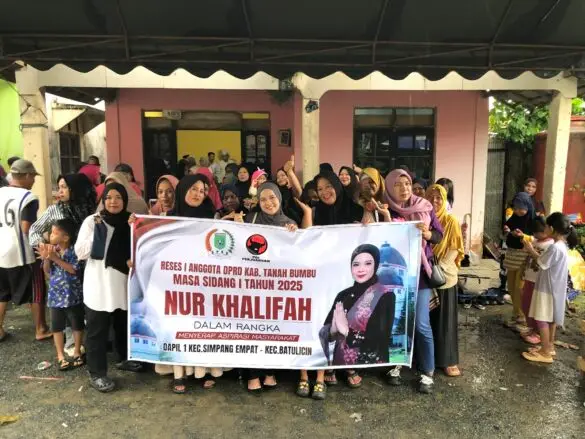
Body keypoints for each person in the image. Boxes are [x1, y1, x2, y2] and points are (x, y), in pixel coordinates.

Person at [235, 182, 302, 395]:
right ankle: (252, 374)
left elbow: (296, 256)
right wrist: (237, 226)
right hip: (251, 284)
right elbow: (238, 246)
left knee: (273, 329)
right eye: (263, 199)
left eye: (272, 197)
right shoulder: (250, 219)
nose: (268, 203)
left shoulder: (289, 223)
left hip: (276, 288)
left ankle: (270, 371)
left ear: (279, 198)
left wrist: (294, 235)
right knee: (252, 329)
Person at [75, 183, 142, 393]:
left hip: (123, 281)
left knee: (123, 323)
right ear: (103, 200)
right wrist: (99, 232)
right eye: (109, 197)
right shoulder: (92, 221)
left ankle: (124, 358)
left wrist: (136, 228)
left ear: (125, 200)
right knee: (97, 329)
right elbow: (80, 252)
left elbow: (140, 247)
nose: (113, 202)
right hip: (99, 284)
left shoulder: (131, 221)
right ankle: (97, 373)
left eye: (118, 197)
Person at [384, 169, 444, 394]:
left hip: (420, 273)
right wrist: (383, 217)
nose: (404, 188)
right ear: (390, 187)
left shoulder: (424, 207)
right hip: (395, 274)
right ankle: (397, 364)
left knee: (420, 323)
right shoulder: (386, 209)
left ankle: (427, 370)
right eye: (398, 184)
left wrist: (427, 234)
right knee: (397, 320)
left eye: (407, 183)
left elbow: (439, 235)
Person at [316, 245, 396, 396]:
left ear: (376, 265)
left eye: (368, 263)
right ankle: (339, 368)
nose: (361, 269)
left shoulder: (385, 295)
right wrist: (333, 330)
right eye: (356, 264)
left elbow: (382, 337)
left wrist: (347, 331)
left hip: (368, 357)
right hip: (338, 357)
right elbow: (325, 331)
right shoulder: (343, 295)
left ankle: (351, 369)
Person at [311, 171, 364, 388]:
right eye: (320, 189)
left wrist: (366, 224)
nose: (324, 192)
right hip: (325, 275)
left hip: (348, 275)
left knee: (348, 318)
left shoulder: (356, 209)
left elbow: (370, 236)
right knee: (329, 319)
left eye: (328, 186)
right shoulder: (316, 212)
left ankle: (349, 365)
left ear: (337, 185)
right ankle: (331, 364)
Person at [0, 160, 51, 342]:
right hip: (22, 253)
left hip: (1, 250)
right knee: (36, 291)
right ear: (27, 175)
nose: (34, 181)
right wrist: (44, 240)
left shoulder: (1, 192)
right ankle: (40, 328)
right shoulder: (28, 197)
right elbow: (26, 227)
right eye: (33, 177)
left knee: (2, 292)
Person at [521, 213, 577, 364]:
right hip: (555, 287)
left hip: (547, 288)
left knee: (541, 318)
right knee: (550, 318)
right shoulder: (562, 245)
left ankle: (545, 352)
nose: (544, 228)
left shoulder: (555, 247)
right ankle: (549, 346)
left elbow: (541, 262)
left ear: (551, 228)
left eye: (546, 226)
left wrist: (530, 249)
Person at [426, 184, 464, 377]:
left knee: (445, 320)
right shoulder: (424, 218)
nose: (435, 201)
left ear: (444, 199)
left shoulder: (451, 221)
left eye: (439, 197)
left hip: (444, 275)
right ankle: (428, 358)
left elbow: (455, 248)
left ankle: (448, 360)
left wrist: (438, 268)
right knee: (428, 319)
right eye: (431, 197)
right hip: (425, 274)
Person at [39, 219, 85, 371]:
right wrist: (47, 258)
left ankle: (77, 351)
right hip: (55, 296)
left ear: (65, 237)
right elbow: (46, 270)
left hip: (73, 295)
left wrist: (54, 258)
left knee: (76, 324)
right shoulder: (53, 250)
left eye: (54, 233)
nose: (50, 236)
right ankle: (60, 356)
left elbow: (73, 269)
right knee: (57, 327)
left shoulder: (75, 251)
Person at [30, 174, 97, 247]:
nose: (60, 191)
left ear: (76, 189)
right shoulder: (54, 210)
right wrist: (42, 245)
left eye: (64, 187)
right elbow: (34, 229)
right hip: (60, 253)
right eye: (59, 188)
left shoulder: (91, 210)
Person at [519, 217, 554, 345]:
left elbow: (543, 262)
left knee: (536, 308)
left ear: (545, 230)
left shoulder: (551, 245)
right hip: (529, 277)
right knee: (526, 305)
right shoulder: (535, 241)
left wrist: (531, 250)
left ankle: (538, 333)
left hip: (539, 281)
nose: (534, 235)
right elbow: (528, 257)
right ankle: (531, 329)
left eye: (537, 232)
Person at [503, 192, 534, 331]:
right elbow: (507, 227)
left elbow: (536, 238)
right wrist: (507, 229)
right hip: (512, 256)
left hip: (524, 257)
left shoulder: (533, 221)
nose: (517, 211)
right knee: (511, 286)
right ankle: (516, 314)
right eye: (515, 208)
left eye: (521, 208)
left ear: (528, 206)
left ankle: (523, 316)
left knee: (519, 287)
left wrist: (523, 236)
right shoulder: (514, 218)